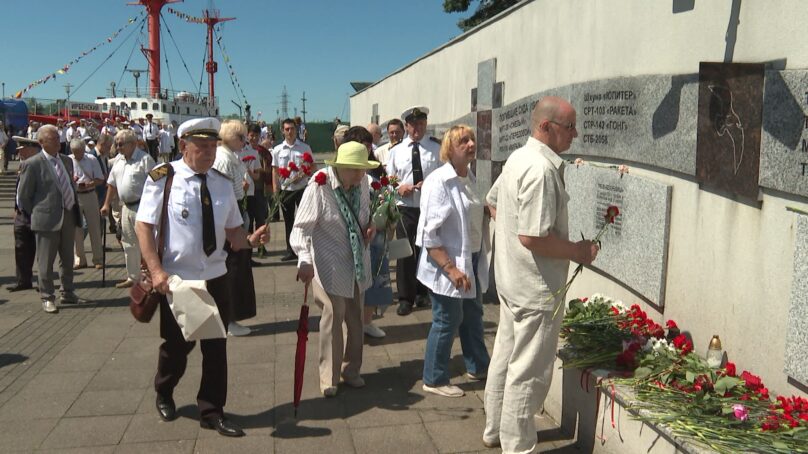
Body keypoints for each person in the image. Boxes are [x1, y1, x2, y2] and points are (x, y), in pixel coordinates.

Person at [135, 117, 268, 438]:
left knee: (216, 348)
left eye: (213, 146)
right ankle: (164, 390)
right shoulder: (163, 178)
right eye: (202, 146)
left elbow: (233, 231)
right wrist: (155, 271)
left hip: (216, 277)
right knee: (177, 348)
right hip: (178, 281)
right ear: (183, 146)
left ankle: (212, 411)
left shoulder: (222, 182)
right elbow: (143, 226)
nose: (209, 152)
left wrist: (250, 241)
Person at [482, 97, 599, 453]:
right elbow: (532, 237)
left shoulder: (518, 158)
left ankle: (494, 430)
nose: (575, 134)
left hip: (512, 281)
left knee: (505, 356)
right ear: (545, 127)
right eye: (569, 127)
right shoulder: (541, 169)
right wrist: (579, 252)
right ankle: (516, 446)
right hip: (535, 289)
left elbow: (494, 202)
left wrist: (513, 244)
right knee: (528, 373)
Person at [291, 141, 376, 397]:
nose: (361, 175)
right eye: (354, 170)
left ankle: (351, 370)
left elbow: (368, 213)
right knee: (333, 315)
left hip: (357, 262)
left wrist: (372, 225)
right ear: (339, 167)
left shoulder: (364, 183)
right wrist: (304, 259)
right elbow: (301, 227)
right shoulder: (319, 185)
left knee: (355, 317)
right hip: (329, 263)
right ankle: (329, 377)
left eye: (363, 169)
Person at [416, 124, 490, 398]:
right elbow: (429, 234)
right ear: (450, 148)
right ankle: (434, 379)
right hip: (446, 262)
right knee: (447, 319)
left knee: (472, 315)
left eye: (472, 139)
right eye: (463, 141)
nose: (471, 144)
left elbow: (469, 210)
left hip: (470, 257)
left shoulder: (468, 178)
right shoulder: (439, 182)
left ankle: (478, 366)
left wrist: (487, 210)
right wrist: (450, 268)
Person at [17, 125, 82, 313]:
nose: (57, 142)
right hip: (46, 219)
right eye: (53, 139)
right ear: (41, 142)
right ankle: (47, 296)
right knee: (45, 261)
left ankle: (68, 292)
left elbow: (68, 184)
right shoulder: (32, 164)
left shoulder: (66, 161)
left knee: (68, 258)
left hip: (68, 214)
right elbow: (24, 197)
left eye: (57, 138)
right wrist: (38, 213)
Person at [386, 106, 441, 316]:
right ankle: (405, 297)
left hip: (430, 207)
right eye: (413, 124)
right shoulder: (397, 151)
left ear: (425, 124)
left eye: (421, 123)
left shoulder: (436, 149)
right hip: (405, 207)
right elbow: (388, 180)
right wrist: (399, 187)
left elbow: (446, 175)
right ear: (406, 127)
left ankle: (424, 292)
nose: (417, 128)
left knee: (428, 250)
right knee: (404, 252)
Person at [343, 126, 391, 338]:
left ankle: (367, 321)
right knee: (355, 281)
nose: (366, 153)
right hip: (354, 234)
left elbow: (386, 192)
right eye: (361, 148)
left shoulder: (377, 168)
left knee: (376, 276)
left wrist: (388, 212)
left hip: (376, 231)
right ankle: (351, 324)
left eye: (368, 148)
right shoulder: (344, 169)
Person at [213, 120, 257, 337]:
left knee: (237, 269)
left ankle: (231, 317)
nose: (244, 142)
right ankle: (228, 319)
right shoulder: (224, 159)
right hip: (230, 216)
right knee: (232, 269)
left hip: (236, 211)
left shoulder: (231, 157)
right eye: (242, 138)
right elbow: (222, 192)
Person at [100, 129, 156, 289]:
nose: (117, 147)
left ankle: (150, 275)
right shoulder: (118, 161)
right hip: (125, 207)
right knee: (129, 243)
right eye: (116, 144)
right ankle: (133, 276)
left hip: (142, 207)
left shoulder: (145, 160)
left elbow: (157, 183)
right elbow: (111, 184)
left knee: (146, 242)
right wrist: (106, 204)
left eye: (120, 144)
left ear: (132, 144)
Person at [272, 118, 313, 261]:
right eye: (287, 129)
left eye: (292, 129)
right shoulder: (277, 150)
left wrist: (304, 174)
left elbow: (312, 167)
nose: (290, 132)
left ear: (296, 130)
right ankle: (290, 250)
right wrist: (276, 190)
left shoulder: (304, 148)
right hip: (286, 189)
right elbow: (275, 171)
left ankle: (305, 248)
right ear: (282, 131)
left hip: (301, 188)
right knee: (289, 221)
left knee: (304, 220)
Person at [8, 136, 42, 292]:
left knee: (41, 250)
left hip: (36, 213)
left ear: (32, 150)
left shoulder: (40, 166)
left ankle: (43, 282)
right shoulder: (23, 166)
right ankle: (23, 280)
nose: (20, 153)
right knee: (21, 248)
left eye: (23, 150)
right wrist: (17, 208)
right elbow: (19, 190)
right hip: (22, 214)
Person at [69, 138, 105, 270]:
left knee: (94, 227)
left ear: (84, 149)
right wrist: (72, 180)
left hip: (90, 194)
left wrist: (90, 183)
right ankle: (80, 259)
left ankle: (98, 259)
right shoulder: (68, 160)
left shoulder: (91, 159)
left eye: (79, 151)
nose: (77, 154)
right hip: (75, 196)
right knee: (76, 229)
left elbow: (101, 179)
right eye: (75, 152)